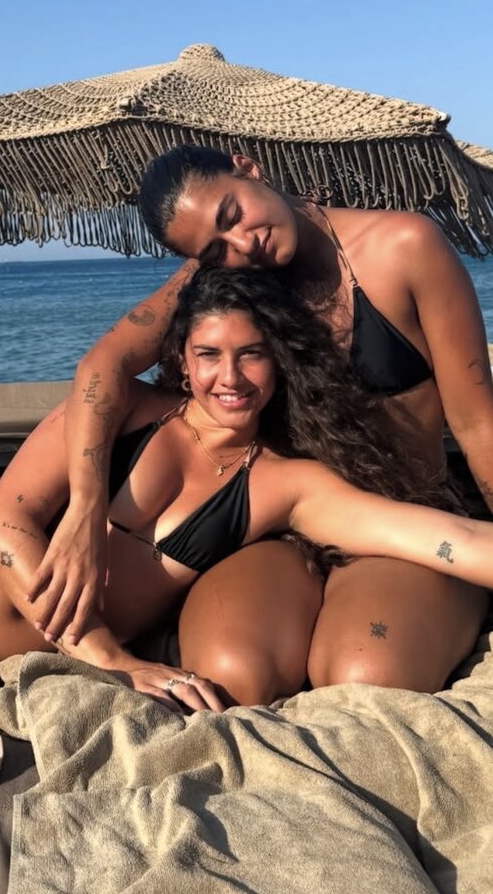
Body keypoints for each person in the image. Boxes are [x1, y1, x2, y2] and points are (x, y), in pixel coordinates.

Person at [0, 267, 490, 733]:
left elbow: (445, 539)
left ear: (281, 361)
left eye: (252, 354)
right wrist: (117, 662)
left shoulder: (285, 484)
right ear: (184, 361)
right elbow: (3, 529)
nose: (230, 377)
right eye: (209, 354)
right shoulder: (123, 408)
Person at [33, 145, 493, 699]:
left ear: (249, 169)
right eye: (215, 248)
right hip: (280, 530)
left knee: (366, 676)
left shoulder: (403, 246)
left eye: (233, 213)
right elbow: (103, 365)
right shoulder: (224, 272)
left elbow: (477, 426)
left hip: (399, 520)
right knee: (232, 678)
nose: (243, 243)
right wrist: (85, 509)